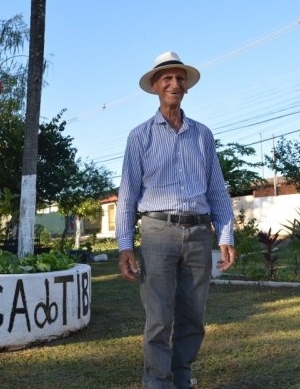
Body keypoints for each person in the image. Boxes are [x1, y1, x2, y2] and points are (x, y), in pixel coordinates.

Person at [115, 51, 236, 389]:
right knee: (158, 317)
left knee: (193, 317)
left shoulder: (203, 135)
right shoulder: (140, 136)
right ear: (155, 86)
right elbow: (128, 194)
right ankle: (157, 382)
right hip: (157, 233)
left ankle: (181, 379)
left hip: (199, 233)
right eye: (166, 78)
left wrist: (226, 235)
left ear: (187, 86)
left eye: (179, 78)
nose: (174, 83)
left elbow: (217, 190)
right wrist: (125, 245)